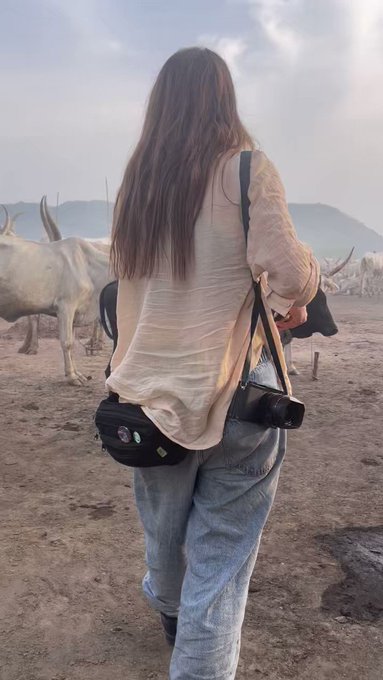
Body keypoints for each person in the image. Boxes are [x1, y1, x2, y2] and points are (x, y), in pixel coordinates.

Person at [107, 47, 319, 680]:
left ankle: (169, 611)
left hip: (145, 397)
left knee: (164, 531)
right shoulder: (247, 170)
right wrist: (300, 280)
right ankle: (195, 653)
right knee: (220, 565)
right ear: (224, 100)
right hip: (235, 399)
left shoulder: (136, 186)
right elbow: (291, 276)